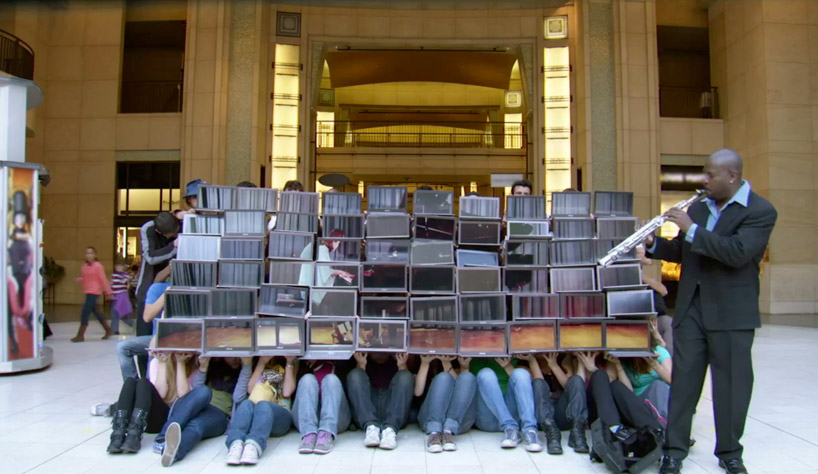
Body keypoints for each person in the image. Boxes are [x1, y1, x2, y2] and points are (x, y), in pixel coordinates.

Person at [645, 149, 777, 474]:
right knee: (684, 382)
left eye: (710, 175)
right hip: (692, 309)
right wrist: (652, 244)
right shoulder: (701, 208)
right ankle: (674, 450)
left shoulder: (760, 211)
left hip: (733, 313)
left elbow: (737, 253)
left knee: (731, 385)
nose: (704, 181)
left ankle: (730, 451)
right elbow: (683, 251)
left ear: (732, 176)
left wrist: (691, 228)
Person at [578, 352, 665, 473]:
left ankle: (654, 431)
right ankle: (614, 427)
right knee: (599, 374)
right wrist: (587, 367)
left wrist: (615, 365)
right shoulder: (578, 356)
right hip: (595, 412)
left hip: (612, 411)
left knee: (616, 385)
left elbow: (625, 389)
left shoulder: (609, 357)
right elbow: (579, 387)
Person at [159, 356, 246, 467]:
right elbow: (195, 391)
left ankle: (173, 452)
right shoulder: (214, 369)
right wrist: (203, 368)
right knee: (203, 391)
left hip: (219, 414)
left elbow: (238, 397)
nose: (235, 359)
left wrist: (246, 366)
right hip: (200, 406)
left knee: (196, 425)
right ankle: (162, 438)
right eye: (232, 356)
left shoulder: (244, 373)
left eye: (239, 356)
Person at [107, 352, 197, 454]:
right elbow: (161, 393)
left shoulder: (193, 364)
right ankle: (117, 436)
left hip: (165, 420)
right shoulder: (156, 362)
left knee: (144, 383)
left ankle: (134, 436)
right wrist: (162, 364)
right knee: (130, 382)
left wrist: (180, 364)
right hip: (146, 416)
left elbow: (183, 395)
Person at [225, 356, 295, 465]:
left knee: (263, 405)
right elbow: (250, 390)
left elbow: (287, 392)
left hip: (280, 414)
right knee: (246, 403)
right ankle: (235, 443)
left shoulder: (291, 362)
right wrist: (262, 362)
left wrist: (289, 362)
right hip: (258, 413)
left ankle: (254, 444)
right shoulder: (259, 362)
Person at [470, 357, 543, 452]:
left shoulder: (515, 356)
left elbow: (534, 383)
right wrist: (464, 367)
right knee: (485, 373)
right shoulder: (472, 358)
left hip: (513, 415)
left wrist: (507, 366)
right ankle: (510, 427)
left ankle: (530, 430)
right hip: (488, 418)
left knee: (521, 373)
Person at [346, 352, 414, 450]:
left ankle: (391, 429)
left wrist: (402, 366)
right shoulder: (364, 357)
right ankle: (371, 428)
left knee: (405, 376)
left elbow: (406, 386)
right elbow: (357, 384)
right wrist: (361, 365)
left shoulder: (396, 358)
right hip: (367, 411)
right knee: (355, 374)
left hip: (392, 409)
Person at [529, 353, 589, 455]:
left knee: (576, 380)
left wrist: (554, 365)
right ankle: (552, 436)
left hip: (563, 414)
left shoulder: (563, 359)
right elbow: (540, 389)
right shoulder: (526, 362)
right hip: (544, 418)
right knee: (538, 383)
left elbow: (569, 386)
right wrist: (532, 360)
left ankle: (577, 433)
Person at [415, 355, 477, 453]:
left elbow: (462, 388)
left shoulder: (456, 358)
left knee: (467, 376)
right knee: (443, 377)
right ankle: (434, 432)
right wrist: (425, 363)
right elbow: (417, 392)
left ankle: (448, 431)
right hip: (429, 419)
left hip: (457, 420)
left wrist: (447, 363)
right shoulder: (424, 356)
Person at [292, 359, 351, 455]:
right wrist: (308, 364)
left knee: (331, 379)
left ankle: (326, 432)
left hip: (336, 420)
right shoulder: (301, 362)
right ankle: (308, 434)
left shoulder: (342, 361)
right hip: (304, 420)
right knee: (307, 378)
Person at [134, 211, 179, 338]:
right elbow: (150, 257)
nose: (175, 235)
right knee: (144, 331)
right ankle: (143, 357)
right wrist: (173, 247)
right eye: (172, 234)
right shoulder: (148, 229)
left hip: (168, 285)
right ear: (161, 233)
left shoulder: (175, 223)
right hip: (148, 285)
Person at [71, 246, 113, 342]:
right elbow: (85, 278)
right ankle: (108, 330)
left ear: (95, 255)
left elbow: (103, 279)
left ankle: (80, 335)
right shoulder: (84, 267)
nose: (89, 255)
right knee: (97, 312)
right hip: (87, 291)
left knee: (85, 312)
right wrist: (80, 279)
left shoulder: (98, 266)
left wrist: (108, 292)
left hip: (94, 292)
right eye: (87, 253)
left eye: (91, 253)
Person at [110, 259, 133, 335]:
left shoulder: (124, 274)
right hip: (114, 296)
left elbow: (125, 281)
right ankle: (114, 329)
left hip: (121, 296)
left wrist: (127, 275)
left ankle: (130, 322)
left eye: (121, 266)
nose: (119, 267)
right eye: (117, 266)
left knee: (121, 313)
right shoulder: (113, 275)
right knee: (114, 313)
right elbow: (111, 284)